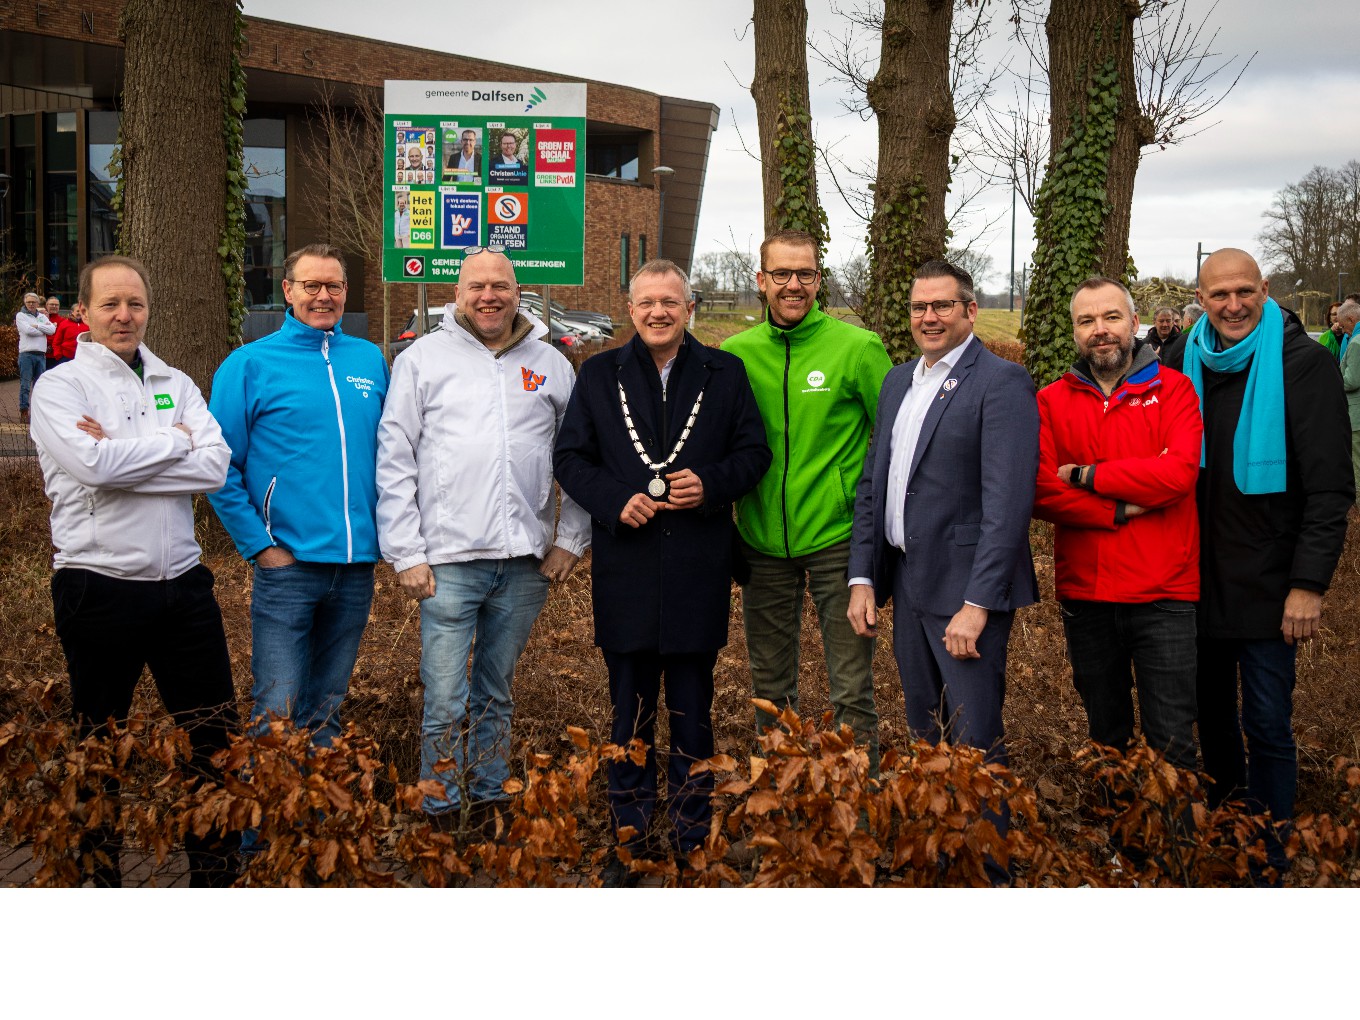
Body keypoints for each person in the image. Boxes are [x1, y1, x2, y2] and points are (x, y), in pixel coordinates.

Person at [555, 259, 770, 884]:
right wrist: (613, 500)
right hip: (626, 569)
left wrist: (710, 485)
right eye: (647, 302)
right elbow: (569, 457)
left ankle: (690, 834)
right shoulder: (598, 374)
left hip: (698, 572)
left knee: (693, 716)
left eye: (670, 303)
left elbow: (753, 453)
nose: (658, 313)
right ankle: (629, 836)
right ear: (630, 309)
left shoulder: (724, 373)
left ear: (689, 307)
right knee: (629, 713)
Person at [29, 255, 239, 887]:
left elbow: (218, 467)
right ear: (85, 311)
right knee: (99, 745)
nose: (124, 316)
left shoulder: (173, 379)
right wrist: (175, 442)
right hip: (98, 587)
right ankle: (100, 884)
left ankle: (214, 878)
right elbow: (93, 468)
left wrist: (123, 457)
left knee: (215, 742)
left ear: (149, 308)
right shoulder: (60, 387)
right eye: (111, 304)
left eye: (136, 304)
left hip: (185, 588)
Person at [376, 248, 590, 828]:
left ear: (517, 289)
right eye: (477, 286)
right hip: (446, 563)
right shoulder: (422, 360)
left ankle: (490, 797)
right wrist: (407, 552)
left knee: (496, 690)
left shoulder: (551, 364)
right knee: (444, 697)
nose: (489, 296)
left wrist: (571, 538)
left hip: (524, 563)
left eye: (500, 285)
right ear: (458, 293)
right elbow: (395, 458)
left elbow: (578, 458)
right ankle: (440, 810)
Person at [847, 260, 1038, 820]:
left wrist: (977, 605)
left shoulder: (1001, 382)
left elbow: (1007, 508)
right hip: (907, 582)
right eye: (918, 307)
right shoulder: (897, 380)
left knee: (975, 742)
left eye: (942, 306)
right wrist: (862, 575)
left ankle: (989, 868)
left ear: (970, 310)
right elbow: (872, 485)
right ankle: (937, 853)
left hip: (963, 593)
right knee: (924, 732)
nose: (928, 317)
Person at [1185, 248, 1352, 880]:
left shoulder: (1303, 365)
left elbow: (1331, 488)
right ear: (1200, 299)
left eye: (1244, 292)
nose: (1232, 305)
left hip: (1270, 586)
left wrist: (1308, 585)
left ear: (1265, 290)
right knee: (1214, 724)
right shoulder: (1182, 362)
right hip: (1193, 582)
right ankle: (1228, 837)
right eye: (1218, 294)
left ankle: (1269, 856)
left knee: (1267, 726)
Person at [208, 244, 389, 795]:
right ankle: (260, 853)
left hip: (356, 569)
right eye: (310, 285)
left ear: (345, 292)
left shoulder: (370, 360)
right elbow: (217, 467)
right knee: (276, 714)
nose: (323, 296)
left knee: (326, 715)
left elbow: (394, 454)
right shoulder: (250, 364)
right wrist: (260, 547)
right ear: (287, 291)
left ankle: (314, 845)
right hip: (287, 567)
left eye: (332, 286)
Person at [723, 229, 891, 762]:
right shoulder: (735, 355)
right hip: (761, 543)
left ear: (819, 280)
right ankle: (780, 802)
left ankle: (857, 812)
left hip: (838, 542)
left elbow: (893, 440)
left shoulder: (858, 348)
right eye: (782, 275)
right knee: (770, 688)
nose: (794, 285)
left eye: (806, 275)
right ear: (761, 281)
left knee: (850, 688)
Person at [1033, 277, 1202, 773]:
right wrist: (1120, 509)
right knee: (1106, 740)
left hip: (1165, 594)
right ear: (1075, 331)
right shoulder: (1051, 400)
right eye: (1086, 321)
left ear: (1134, 322)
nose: (1099, 330)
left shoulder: (1175, 389)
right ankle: (1115, 850)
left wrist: (1088, 475)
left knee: (1171, 743)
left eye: (1110, 317)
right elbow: (1042, 490)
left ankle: (1174, 851)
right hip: (1087, 596)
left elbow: (1178, 474)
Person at [15, 291, 55, 423]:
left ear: (38, 303)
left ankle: (38, 413)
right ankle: (24, 412)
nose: (31, 304)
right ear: (25, 303)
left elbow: (52, 330)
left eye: (33, 302)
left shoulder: (41, 317)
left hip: (40, 355)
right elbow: (28, 331)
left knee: (39, 386)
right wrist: (43, 330)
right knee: (25, 385)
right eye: (28, 302)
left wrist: (37, 325)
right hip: (26, 354)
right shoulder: (21, 316)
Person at [1336, 300, 1360, 496]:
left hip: (1356, 415)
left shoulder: (1356, 343)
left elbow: (1351, 381)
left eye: (1344, 326)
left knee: (1357, 465)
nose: (1344, 331)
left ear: (1352, 319)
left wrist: (1332, 383)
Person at [51, 300, 89, 364]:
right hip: (66, 357)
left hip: (84, 358)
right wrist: (59, 356)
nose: (79, 313)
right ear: (72, 312)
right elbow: (56, 342)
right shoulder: (64, 324)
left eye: (81, 311)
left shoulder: (88, 324)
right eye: (77, 311)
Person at [43, 296, 66, 370]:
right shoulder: (40, 318)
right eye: (52, 304)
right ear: (46, 305)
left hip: (56, 356)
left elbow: (62, 337)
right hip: (41, 355)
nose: (54, 306)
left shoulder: (63, 321)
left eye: (56, 305)